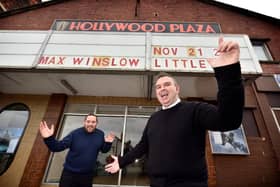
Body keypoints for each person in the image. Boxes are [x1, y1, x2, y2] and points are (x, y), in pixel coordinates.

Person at [105, 37, 244, 187]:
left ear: (177, 89)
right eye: (158, 87)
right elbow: (143, 146)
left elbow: (229, 120)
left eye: (167, 85)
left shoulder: (195, 110)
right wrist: (122, 161)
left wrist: (228, 72)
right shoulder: (154, 118)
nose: (162, 88)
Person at [40, 113, 115, 187]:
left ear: (96, 123)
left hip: (87, 175)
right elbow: (57, 147)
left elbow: (104, 150)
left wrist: (108, 143)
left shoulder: (100, 134)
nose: (90, 124)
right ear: (84, 122)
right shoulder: (75, 134)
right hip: (69, 174)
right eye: (88, 121)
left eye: (93, 122)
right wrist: (48, 138)